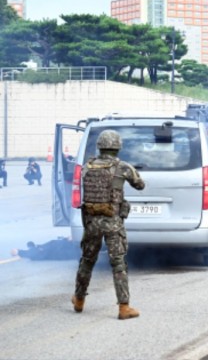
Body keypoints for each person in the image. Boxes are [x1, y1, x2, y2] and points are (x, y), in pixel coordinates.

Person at [72, 129, 145, 320]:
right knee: (118, 263)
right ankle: (124, 307)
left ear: (100, 146)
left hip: (91, 222)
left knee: (87, 260)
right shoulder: (123, 168)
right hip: (113, 222)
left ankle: (79, 300)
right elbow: (140, 185)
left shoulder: (87, 167)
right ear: (118, 147)